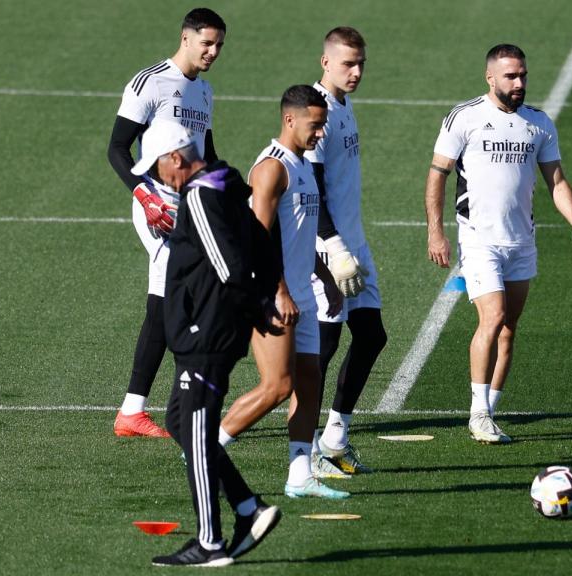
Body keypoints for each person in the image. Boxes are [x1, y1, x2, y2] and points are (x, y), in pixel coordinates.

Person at [426, 44, 572, 444]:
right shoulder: (464, 118)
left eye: (523, 76)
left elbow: (556, 180)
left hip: (522, 241)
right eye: (511, 76)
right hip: (480, 240)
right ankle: (478, 413)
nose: (519, 83)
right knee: (493, 316)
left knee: (508, 328)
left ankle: (490, 411)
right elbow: (438, 174)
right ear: (491, 78)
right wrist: (436, 230)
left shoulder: (538, 123)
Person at [136, 119, 280, 566]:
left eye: (160, 168)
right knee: (180, 423)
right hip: (209, 330)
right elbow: (260, 242)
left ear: (175, 158)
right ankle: (247, 507)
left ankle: (210, 541)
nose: (161, 178)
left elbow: (229, 266)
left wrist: (256, 308)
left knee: (196, 432)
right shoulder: (223, 185)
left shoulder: (198, 195)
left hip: (207, 333)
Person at [217, 86, 349, 500]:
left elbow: (299, 236)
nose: (320, 133)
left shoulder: (305, 165)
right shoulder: (272, 169)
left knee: (309, 384)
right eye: (315, 125)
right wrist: (278, 291)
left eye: (324, 125)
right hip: (271, 295)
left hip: (304, 294)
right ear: (290, 120)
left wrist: (325, 278)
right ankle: (205, 445)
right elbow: (258, 237)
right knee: (277, 386)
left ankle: (299, 476)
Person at [107, 8, 226, 437]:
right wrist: (143, 194)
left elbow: (207, 157)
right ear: (186, 37)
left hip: (189, 205)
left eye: (219, 46)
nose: (213, 52)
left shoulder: (205, 92)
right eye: (207, 43)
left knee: (187, 298)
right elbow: (118, 148)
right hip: (157, 204)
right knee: (167, 297)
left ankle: (159, 408)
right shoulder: (150, 83)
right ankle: (141, 411)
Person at [306, 27, 387, 476]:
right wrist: (334, 248)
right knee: (325, 343)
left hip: (354, 241)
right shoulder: (318, 113)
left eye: (360, 64)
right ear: (326, 62)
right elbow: (313, 188)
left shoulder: (343, 104)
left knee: (372, 336)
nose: (355, 72)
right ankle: (306, 449)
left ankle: (335, 438)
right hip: (329, 245)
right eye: (347, 64)